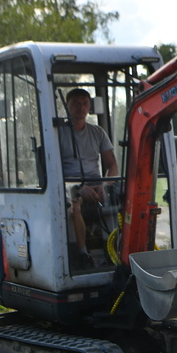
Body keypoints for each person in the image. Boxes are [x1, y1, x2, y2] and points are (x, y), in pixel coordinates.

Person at [58, 87, 119, 268]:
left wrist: (105, 185)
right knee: (75, 204)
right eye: (76, 103)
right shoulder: (58, 133)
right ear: (67, 106)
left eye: (84, 103)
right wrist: (78, 186)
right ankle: (83, 254)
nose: (80, 107)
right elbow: (51, 169)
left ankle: (116, 250)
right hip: (68, 183)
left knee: (122, 198)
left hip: (96, 182)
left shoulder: (97, 132)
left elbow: (112, 165)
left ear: (90, 106)